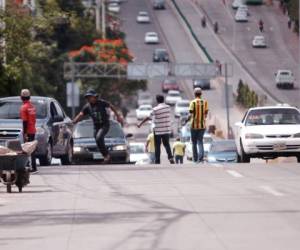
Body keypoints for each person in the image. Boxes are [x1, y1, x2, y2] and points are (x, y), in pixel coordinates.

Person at [73, 89, 123, 164]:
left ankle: (107, 156)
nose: (89, 99)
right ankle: (106, 156)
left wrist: (118, 116)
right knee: (97, 140)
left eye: (91, 97)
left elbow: (111, 106)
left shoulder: (102, 103)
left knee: (99, 137)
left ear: (95, 97)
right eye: (88, 97)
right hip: (96, 126)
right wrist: (73, 121)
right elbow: (80, 115)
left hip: (104, 125)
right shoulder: (87, 107)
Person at [137, 95, 174, 164]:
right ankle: (170, 157)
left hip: (158, 130)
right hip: (166, 129)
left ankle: (157, 160)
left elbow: (148, 117)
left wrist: (140, 124)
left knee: (157, 146)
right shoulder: (168, 107)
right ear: (163, 100)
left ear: (157, 101)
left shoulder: (155, 109)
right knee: (167, 144)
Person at [186, 88, 208, 163]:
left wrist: (187, 120)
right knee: (200, 142)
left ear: (195, 94)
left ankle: (195, 159)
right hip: (202, 126)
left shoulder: (193, 102)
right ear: (201, 94)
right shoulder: (205, 102)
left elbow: (190, 114)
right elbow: (206, 114)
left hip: (194, 125)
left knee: (194, 143)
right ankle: (201, 158)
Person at [20, 89, 37, 172]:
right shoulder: (32, 107)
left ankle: (27, 166)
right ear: (29, 97)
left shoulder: (24, 107)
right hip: (33, 130)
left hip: (28, 131)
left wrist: (25, 133)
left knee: (26, 149)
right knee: (32, 149)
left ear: (21, 97)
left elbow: (25, 121)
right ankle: (34, 166)